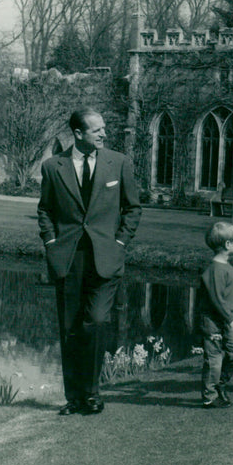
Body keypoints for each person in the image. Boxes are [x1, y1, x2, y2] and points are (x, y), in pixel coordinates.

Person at [37, 108, 142, 415]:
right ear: (78, 134)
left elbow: (133, 209)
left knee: (95, 321)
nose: (103, 134)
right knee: (69, 328)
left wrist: (120, 242)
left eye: (104, 129)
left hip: (106, 257)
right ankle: (74, 398)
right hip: (67, 258)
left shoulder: (119, 163)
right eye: (97, 130)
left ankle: (93, 392)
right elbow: (45, 210)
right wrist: (51, 241)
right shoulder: (52, 167)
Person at [198, 222, 233, 409]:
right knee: (214, 359)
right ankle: (209, 396)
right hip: (213, 321)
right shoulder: (215, 270)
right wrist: (231, 320)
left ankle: (220, 383)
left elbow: (230, 288)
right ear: (227, 245)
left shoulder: (227, 266)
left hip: (225, 319)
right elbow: (217, 299)